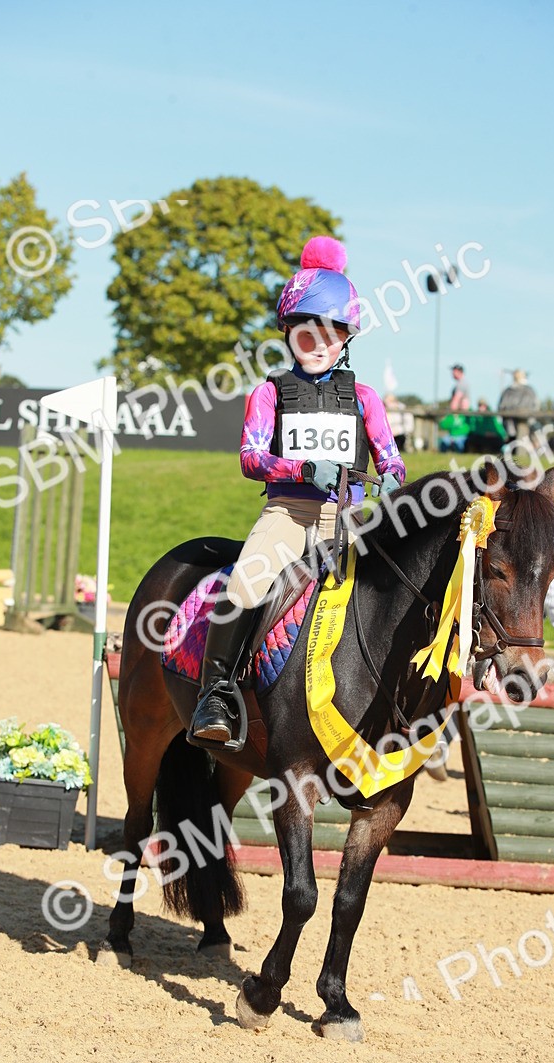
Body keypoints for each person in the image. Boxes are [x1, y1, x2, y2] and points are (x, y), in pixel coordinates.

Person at [189, 237, 406, 747]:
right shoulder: (267, 393)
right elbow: (250, 458)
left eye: (331, 331)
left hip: (349, 516)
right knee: (246, 583)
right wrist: (302, 468)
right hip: (289, 512)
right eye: (306, 330)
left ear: (346, 337)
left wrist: (394, 476)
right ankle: (216, 695)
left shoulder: (366, 398)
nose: (318, 340)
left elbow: (389, 455)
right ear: (288, 332)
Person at [498, 368, 539, 440]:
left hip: (525, 422)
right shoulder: (508, 391)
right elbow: (502, 407)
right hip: (510, 423)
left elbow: (535, 407)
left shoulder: (529, 390)